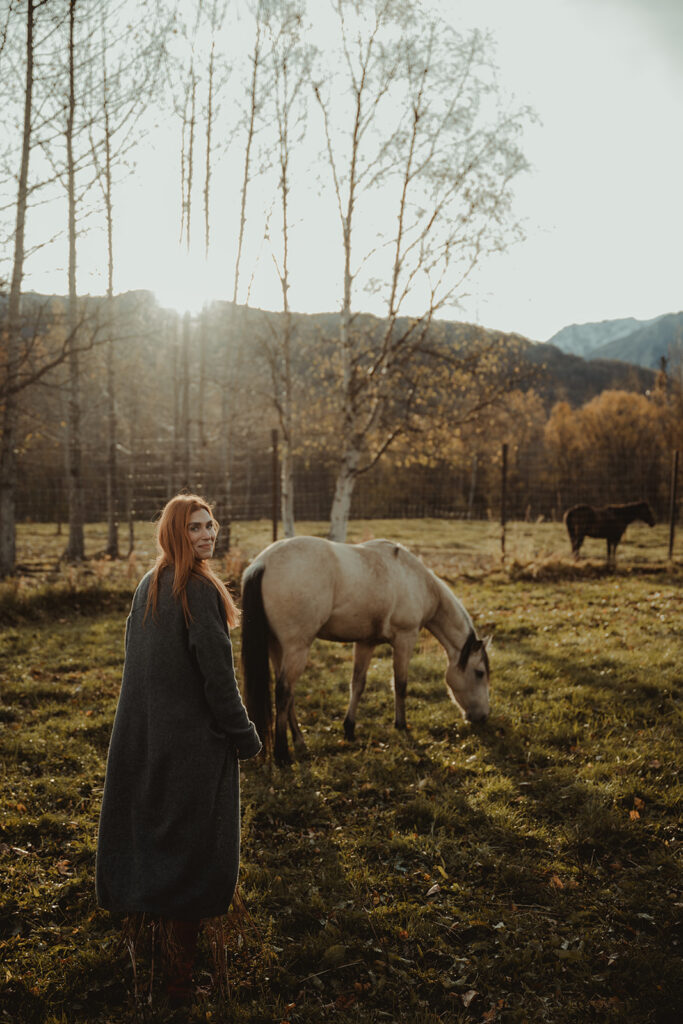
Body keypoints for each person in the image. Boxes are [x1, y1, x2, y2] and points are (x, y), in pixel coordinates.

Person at [96, 493, 262, 1006]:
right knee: (193, 853)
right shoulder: (196, 590)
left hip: (146, 739)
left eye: (211, 524)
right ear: (174, 533)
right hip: (191, 746)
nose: (208, 534)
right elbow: (220, 683)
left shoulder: (151, 583)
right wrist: (245, 736)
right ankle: (178, 982)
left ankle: (153, 949)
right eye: (195, 527)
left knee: (158, 841)